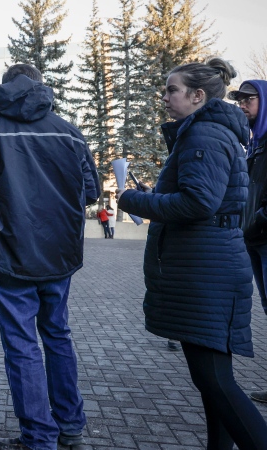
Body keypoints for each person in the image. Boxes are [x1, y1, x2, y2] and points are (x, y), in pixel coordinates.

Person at [116, 58, 267, 449]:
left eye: (171, 89)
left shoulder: (203, 135)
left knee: (215, 381)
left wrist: (138, 199)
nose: (165, 96)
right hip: (208, 265)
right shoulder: (208, 133)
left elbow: (199, 202)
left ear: (197, 96)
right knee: (213, 382)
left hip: (207, 272)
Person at [0, 64, 98, 450]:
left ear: (6, 87)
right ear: (41, 86)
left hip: (12, 252)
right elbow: (91, 190)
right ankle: (70, 426)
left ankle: (38, 437)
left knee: (22, 343)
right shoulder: (69, 131)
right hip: (59, 254)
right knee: (57, 335)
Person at [231, 79, 267, 404]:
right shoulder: (255, 146)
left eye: (248, 100)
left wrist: (257, 223)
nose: (242, 105)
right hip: (254, 239)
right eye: (239, 100)